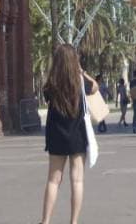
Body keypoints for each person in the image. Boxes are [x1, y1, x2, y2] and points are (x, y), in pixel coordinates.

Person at [38, 44, 98, 224]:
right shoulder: (80, 82)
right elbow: (95, 87)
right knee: (77, 180)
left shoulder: (52, 83)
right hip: (77, 134)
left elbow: (46, 93)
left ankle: (46, 221)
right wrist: (82, 72)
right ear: (74, 61)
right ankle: (73, 222)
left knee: (53, 180)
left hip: (56, 134)